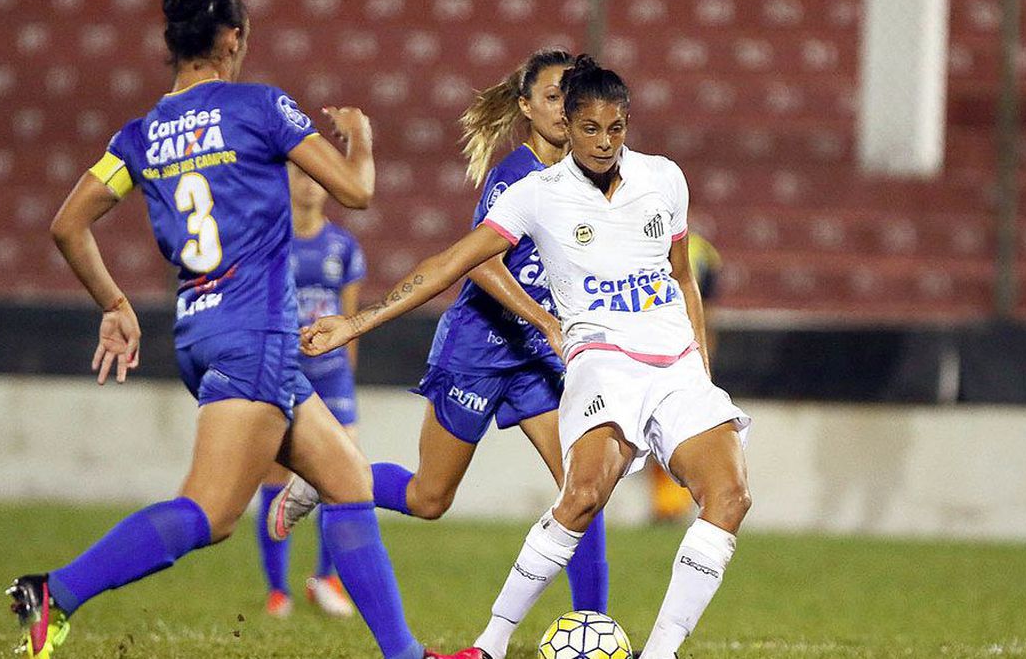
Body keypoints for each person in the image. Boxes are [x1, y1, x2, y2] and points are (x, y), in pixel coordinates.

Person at [4, 0, 467, 659]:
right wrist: (360, 139)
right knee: (213, 513)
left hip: (201, 332)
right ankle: (56, 592)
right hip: (257, 334)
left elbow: (68, 225)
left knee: (345, 479)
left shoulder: (140, 136)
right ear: (230, 40)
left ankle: (403, 653)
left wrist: (115, 303)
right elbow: (356, 193)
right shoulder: (258, 107)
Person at [296, 55, 752, 659]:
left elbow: (681, 276)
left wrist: (700, 370)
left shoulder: (664, 178)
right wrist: (357, 321)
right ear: (559, 117)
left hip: (663, 365)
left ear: (626, 124)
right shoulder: (532, 192)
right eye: (587, 125)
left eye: (614, 128)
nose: (602, 140)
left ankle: (650, 648)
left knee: (730, 497)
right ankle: (487, 639)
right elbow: (453, 264)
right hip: (546, 357)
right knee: (474, 497)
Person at [353, 48, 607, 613]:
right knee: (428, 498)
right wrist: (547, 320)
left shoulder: (589, 179)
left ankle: (593, 627)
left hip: (536, 360)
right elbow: (481, 263)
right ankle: (328, 477)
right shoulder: (514, 175)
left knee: (583, 491)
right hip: (478, 348)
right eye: (551, 97)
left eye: (571, 96)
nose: (563, 109)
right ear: (526, 106)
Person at [256, 162, 365, 619]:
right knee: (274, 477)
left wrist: (348, 375)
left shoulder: (344, 246)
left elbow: (351, 321)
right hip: (283, 371)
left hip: (333, 376)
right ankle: (277, 590)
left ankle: (325, 578)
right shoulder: (270, 241)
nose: (310, 185)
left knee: (345, 473)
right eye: (301, 176)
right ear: (287, 182)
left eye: (317, 178)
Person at [648, 230, 723, 523]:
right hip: (679, 347)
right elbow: (709, 312)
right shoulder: (705, 251)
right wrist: (706, 356)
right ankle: (670, 504)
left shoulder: (700, 251)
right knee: (670, 429)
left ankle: (674, 504)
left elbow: (707, 309)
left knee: (670, 429)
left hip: (666, 346)